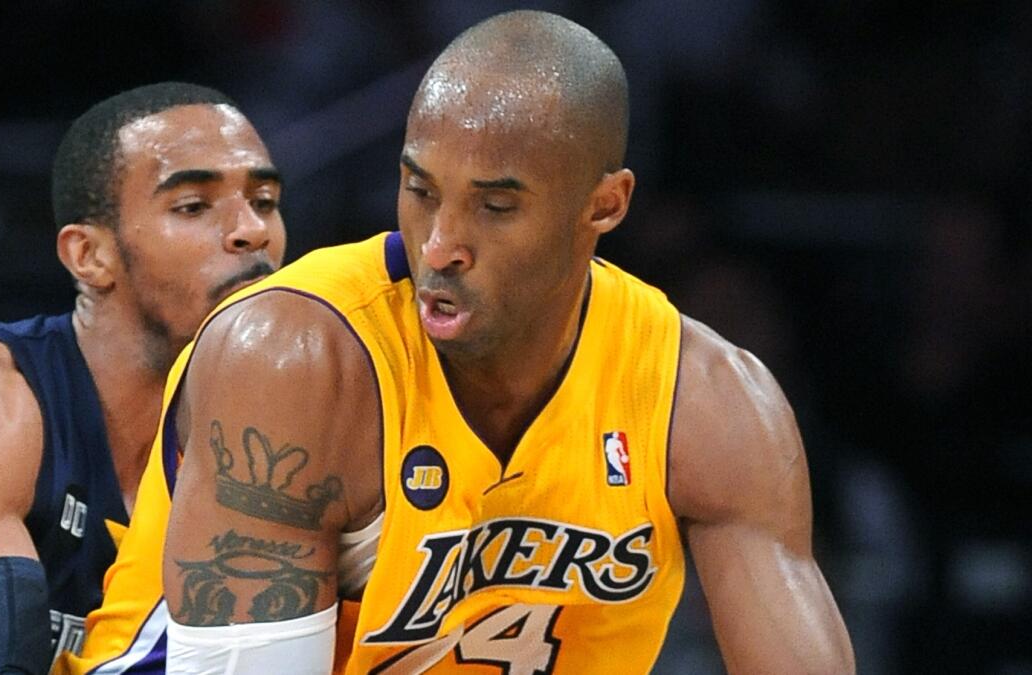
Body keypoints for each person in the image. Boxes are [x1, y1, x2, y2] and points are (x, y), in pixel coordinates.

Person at [158, 11, 854, 675]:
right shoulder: (293, 359)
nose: (440, 244)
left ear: (604, 205)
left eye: (494, 206)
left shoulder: (707, 402)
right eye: (420, 190)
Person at [0, 81, 286, 674]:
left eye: (266, 200)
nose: (251, 230)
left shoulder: (268, 436)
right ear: (88, 255)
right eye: (193, 206)